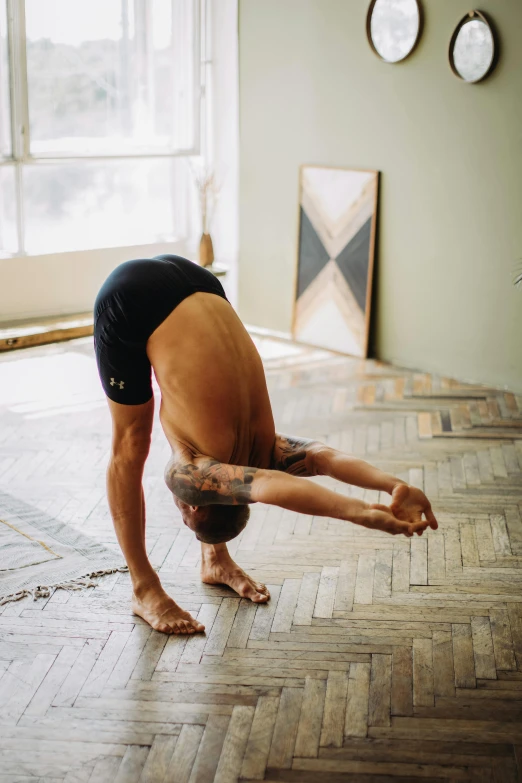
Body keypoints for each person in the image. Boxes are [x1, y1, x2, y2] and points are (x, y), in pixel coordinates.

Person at [94, 255, 438, 635]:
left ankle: (213, 559)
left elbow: (324, 458)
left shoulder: (263, 452)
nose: (181, 505)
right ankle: (143, 588)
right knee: (130, 443)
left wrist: (391, 486)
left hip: (198, 282)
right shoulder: (211, 471)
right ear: (198, 503)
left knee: (140, 434)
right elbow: (269, 487)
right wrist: (361, 510)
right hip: (141, 295)